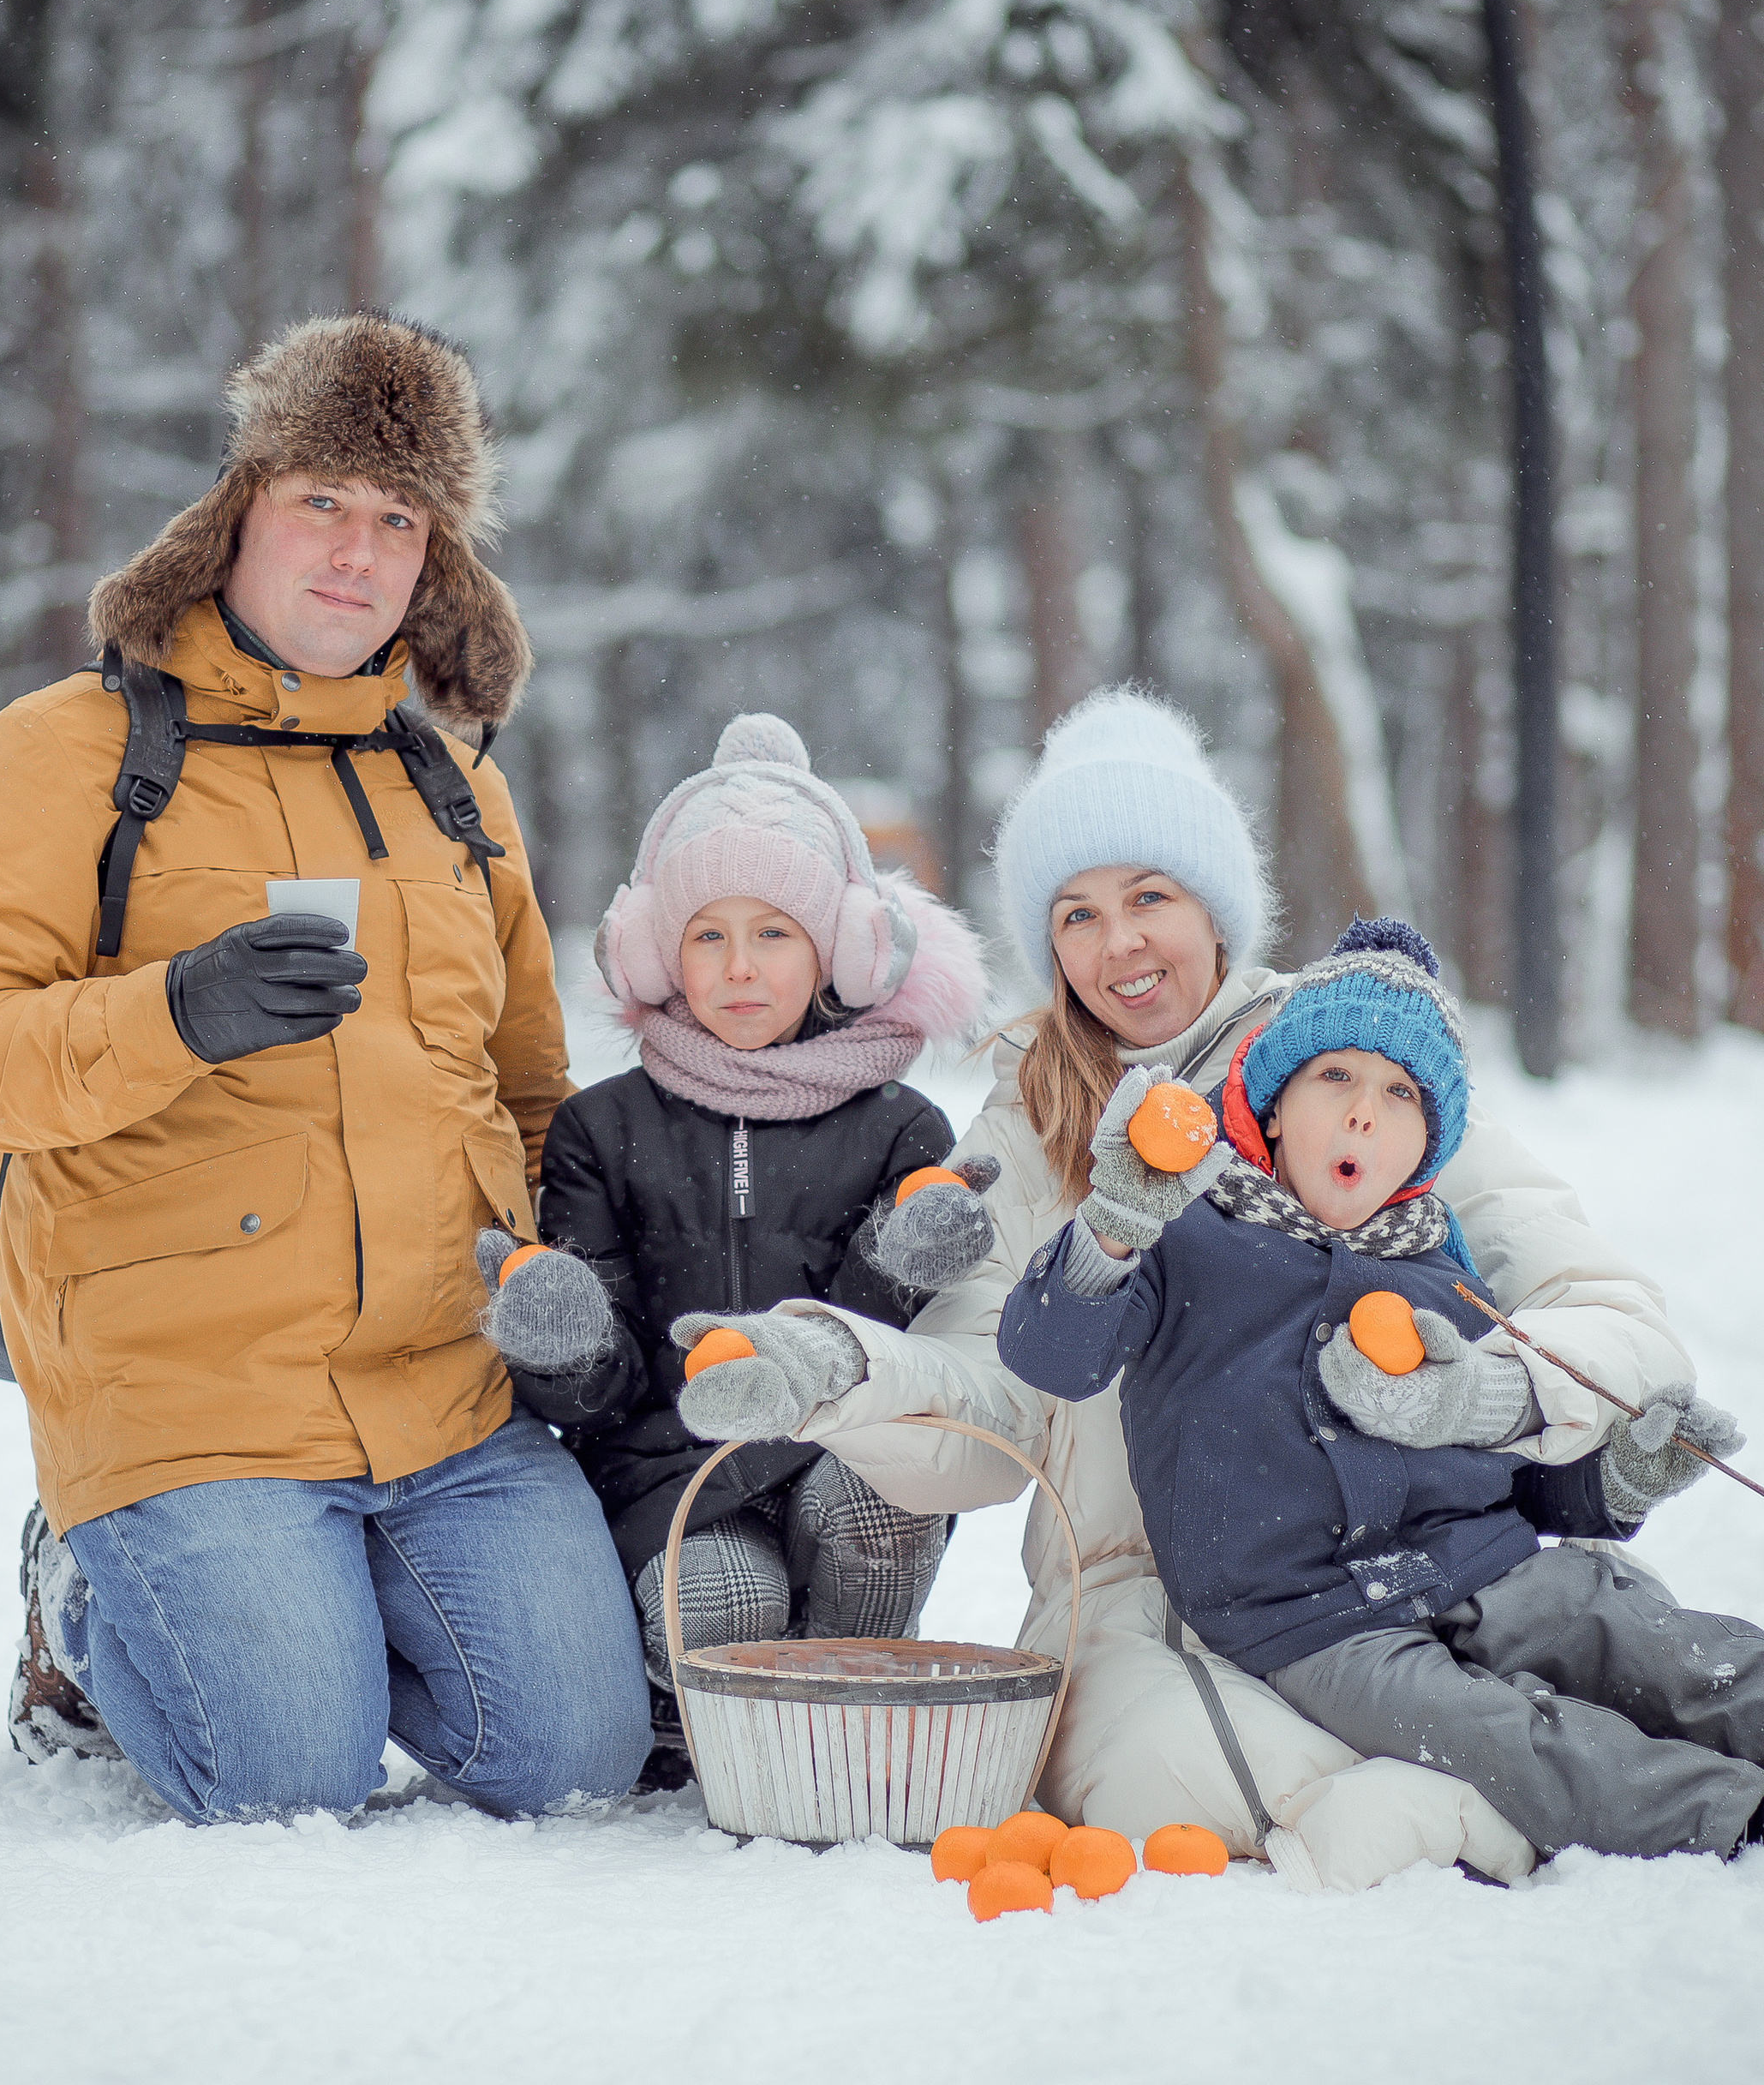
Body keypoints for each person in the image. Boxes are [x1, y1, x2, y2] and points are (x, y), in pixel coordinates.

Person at [667, 686, 1702, 1890]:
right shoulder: (1022, 1121)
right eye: (1078, 913)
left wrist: (1489, 1396)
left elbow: (1612, 1319)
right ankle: (1497, 1796)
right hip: (1128, 1600)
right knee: (1165, 1775)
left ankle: (1533, 1768)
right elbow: (986, 1413)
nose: (1121, 946)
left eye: (1150, 896)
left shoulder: (1347, 1067)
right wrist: (843, 1371)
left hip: (1401, 1560)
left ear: (1215, 905)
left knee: (1630, 1654)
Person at [0, 312, 650, 1822]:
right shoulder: (64, 755)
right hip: (184, 1386)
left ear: (438, 558)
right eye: (322, 504)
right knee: (283, 1780)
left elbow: (531, 1090)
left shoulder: (453, 783)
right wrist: (173, 1015)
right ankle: (84, 1589)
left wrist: (582, 1276)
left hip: (445, 1390)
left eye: (399, 518)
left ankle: (320, 1594)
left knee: (571, 1765)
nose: (357, 553)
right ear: (239, 511)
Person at [997, 914, 1761, 1860]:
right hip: (1310, 1625)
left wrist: (1610, 1485)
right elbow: (1050, 1355)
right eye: (1335, 1077)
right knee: (1504, 1739)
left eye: (1400, 1094)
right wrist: (1112, 1227)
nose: (1365, 1111)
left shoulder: (1444, 1275)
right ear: (1271, 1104)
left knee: (1646, 1640)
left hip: (1484, 1567)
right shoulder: (1187, 1239)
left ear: (1427, 1146)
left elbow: (1500, 1477)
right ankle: (1729, 1810)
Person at [472, 714, 987, 1782]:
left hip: (842, 1450)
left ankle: (847, 1724)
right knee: (730, 1600)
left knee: (873, 1504)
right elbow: (598, 1401)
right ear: (658, 949)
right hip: (673, 1473)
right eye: (708, 934)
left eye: (775, 934)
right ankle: (721, 1714)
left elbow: (900, 1360)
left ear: (837, 950)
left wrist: (900, 1258)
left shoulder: (901, 1129)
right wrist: (564, 1347)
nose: (738, 969)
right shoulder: (599, 1129)